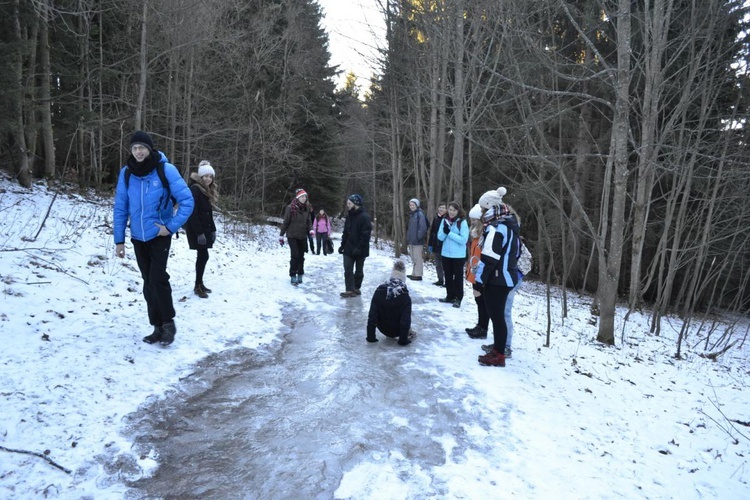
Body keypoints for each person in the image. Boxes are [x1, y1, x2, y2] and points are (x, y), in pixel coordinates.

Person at [114, 130, 194, 346]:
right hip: (138, 237)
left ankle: (168, 323)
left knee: (158, 278)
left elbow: (187, 201)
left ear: (149, 149)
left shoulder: (165, 170)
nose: (138, 151)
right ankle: (156, 326)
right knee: (148, 282)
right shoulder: (127, 174)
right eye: (135, 148)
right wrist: (119, 240)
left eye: (142, 147)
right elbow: (121, 206)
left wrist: (170, 226)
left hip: (159, 234)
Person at [475, 187, 520, 367]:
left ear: (490, 208)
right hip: (504, 277)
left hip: (498, 279)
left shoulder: (497, 228)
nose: (481, 213)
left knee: (497, 317)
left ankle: (499, 355)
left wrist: (479, 281)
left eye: (483, 209)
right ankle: (498, 349)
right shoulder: (507, 225)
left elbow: (489, 258)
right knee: (497, 316)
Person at [185, 160, 218, 299]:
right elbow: (193, 213)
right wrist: (199, 233)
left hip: (205, 228)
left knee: (203, 256)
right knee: (203, 256)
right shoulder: (195, 189)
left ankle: (200, 283)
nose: (208, 179)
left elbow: (208, 212)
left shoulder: (206, 190)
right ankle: (198, 285)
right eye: (205, 176)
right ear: (200, 177)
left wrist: (213, 229)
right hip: (197, 229)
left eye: (210, 176)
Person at [366, 259, 414, 345]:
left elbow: (372, 316)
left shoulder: (379, 290)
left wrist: (371, 337)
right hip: (397, 331)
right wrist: (403, 340)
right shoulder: (404, 295)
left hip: (383, 329)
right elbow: (405, 320)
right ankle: (408, 333)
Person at [437, 201, 469, 308]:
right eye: (450, 210)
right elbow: (440, 236)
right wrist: (445, 232)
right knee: (448, 276)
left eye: (454, 210)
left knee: (458, 277)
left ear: (458, 211)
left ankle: (458, 298)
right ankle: (450, 295)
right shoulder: (444, 220)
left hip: (458, 255)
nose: (451, 212)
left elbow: (463, 239)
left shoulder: (462, 222)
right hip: (446, 253)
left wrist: (449, 233)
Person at [339, 194, 372, 298]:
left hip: (360, 249)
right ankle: (349, 289)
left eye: (349, 203)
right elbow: (345, 233)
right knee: (348, 269)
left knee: (358, 272)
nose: (347, 205)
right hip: (348, 248)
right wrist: (342, 245)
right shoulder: (349, 217)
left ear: (356, 204)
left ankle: (356, 288)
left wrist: (359, 248)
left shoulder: (365, 217)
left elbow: (366, 235)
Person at [280, 188, 314, 285]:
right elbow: (286, 222)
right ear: (298, 197)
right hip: (292, 235)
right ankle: (293, 275)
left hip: (302, 235)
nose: (304, 198)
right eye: (302, 196)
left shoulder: (307, 208)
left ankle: (300, 273)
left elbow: (308, 221)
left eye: (305, 196)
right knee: (294, 255)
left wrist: (311, 229)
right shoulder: (290, 208)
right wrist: (281, 235)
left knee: (301, 256)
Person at [465, 204, 489, 339]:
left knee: (482, 300)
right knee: (478, 299)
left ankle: (483, 328)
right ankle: (480, 325)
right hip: (475, 269)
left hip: (481, 271)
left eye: (474, 219)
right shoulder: (475, 234)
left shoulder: (485, 235)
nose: (472, 222)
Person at [405, 198, 428, 281]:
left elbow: (423, 227)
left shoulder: (420, 214)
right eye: (410, 205)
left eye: (413, 205)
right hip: (412, 240)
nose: (411, 206)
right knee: (413, 257)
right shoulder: (412, 214)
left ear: (417, 205)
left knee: (417, 258)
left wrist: (418, 237)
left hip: (417, 241)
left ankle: (418, 274)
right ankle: (414, 273)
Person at [428, 202, 447, 286]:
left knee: (445, 265)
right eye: (440, 207)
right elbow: (432, 231)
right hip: (435, 244)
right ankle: (440, 279)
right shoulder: (436, 218)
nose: (441, 209)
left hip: (444, 245)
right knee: (438, 264)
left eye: (443, 207)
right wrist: (430, 244)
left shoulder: (447, 218)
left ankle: (447, 281)